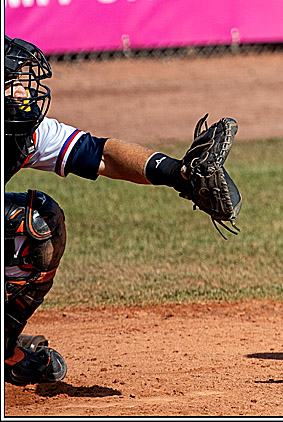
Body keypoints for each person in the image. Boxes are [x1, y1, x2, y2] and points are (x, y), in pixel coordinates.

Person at [4, 36, 241, 386]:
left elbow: (101, 154)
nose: (25, 93)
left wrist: (178, 174)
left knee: (42, 228)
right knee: (31, 224)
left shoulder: (22, 135)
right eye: (12, 84)